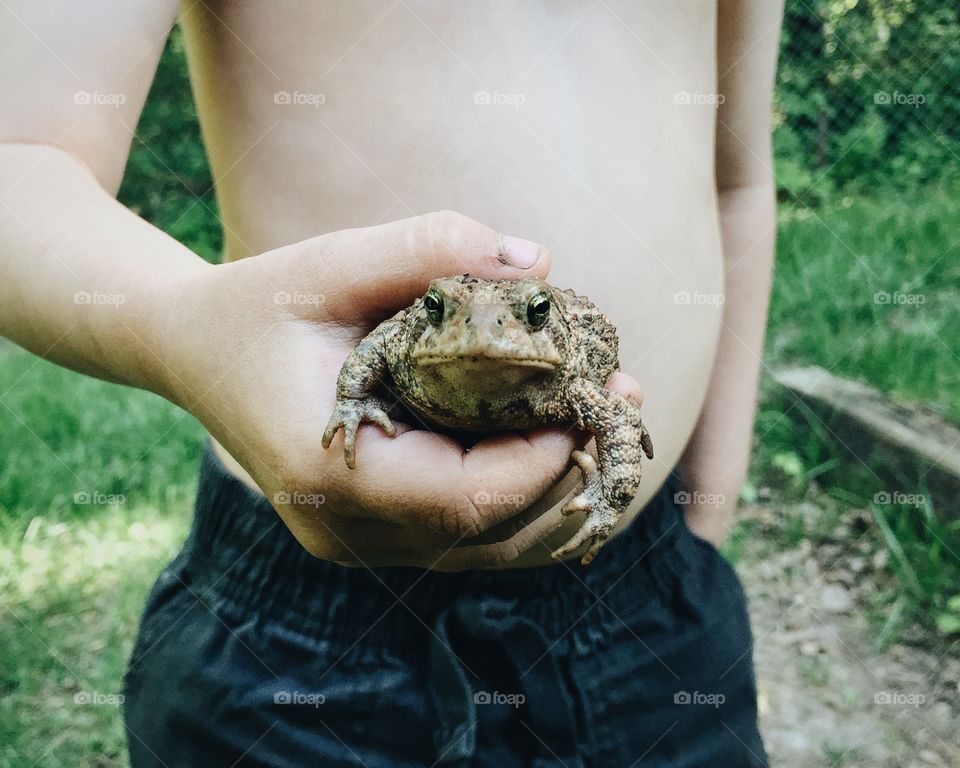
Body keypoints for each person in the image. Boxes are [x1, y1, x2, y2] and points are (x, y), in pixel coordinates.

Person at [0, 1, 783, 765]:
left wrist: (705, 508)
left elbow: (739, 184)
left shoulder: (567, 391)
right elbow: (17, 156)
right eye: (446, 314)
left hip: (644, 597)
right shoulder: (408, 348)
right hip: (301, 629)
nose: (490, 337)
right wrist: (193, 330)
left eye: (527, 318)